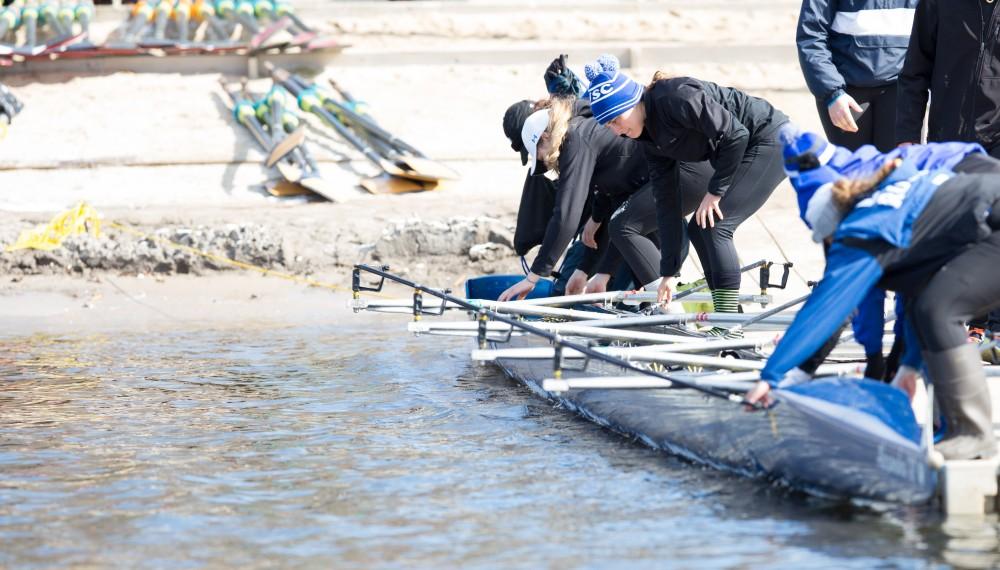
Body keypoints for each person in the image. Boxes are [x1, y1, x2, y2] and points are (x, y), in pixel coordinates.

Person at [746, 129, 1000, 460]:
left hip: (989, 216)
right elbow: (915, 296)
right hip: (986, 210)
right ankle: (956, 430)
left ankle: (971, 434)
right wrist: (908, 368)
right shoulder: (889, 200)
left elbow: (829, 304)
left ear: (833, 228)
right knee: (933, 305)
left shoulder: (862, 231)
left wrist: (773, 374)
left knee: (942, 311)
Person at [582, 54, 789, 334]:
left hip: (769, 138)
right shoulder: (649, 140)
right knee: (698, 228)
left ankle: (729, 326)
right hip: (740, 149)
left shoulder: (676, 96)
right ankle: (726, 319)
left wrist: (715, 192)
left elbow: (736, 135)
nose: (617, 131)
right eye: (609, 127)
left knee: (714, 225)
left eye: (616, 120)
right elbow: (667, 205)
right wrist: (668, 272)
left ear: (633, 102)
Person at [895, 0, 1000, 341]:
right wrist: (908, 137)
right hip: (949, 140)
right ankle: (965, 319)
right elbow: (914, 70)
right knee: (956, 229)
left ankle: (992, 325)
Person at [497, 96, 657, 302]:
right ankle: (669, 308)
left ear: (544, 135)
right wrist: (590, 270)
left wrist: (533, 276)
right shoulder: (577, 127)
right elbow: (612, 192)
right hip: (633, 209)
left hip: (659, 199)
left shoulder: (575, 137)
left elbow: (566, 215)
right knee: (618, 233)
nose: (542, 161)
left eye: (534, 150)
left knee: (625, 235)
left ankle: (673, 312)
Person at [797, 0, 918, 152]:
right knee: (854, 171)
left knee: (897, 171)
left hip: (901, 90)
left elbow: (931, 37)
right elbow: (811, 37)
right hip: (846, 94)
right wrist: (833, 93)